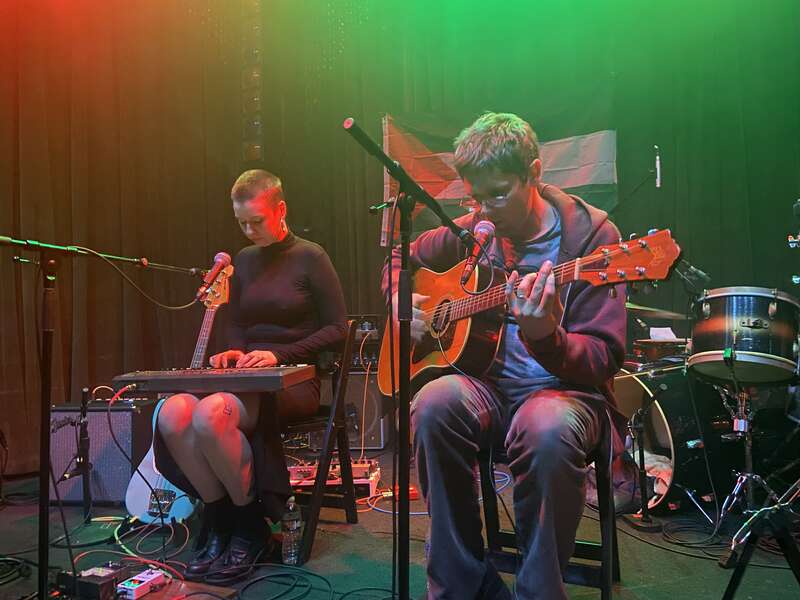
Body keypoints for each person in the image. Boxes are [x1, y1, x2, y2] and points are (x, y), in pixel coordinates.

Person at [381, 112, 627, 599]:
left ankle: (538, 591)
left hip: (566, 394)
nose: (484, 210)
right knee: (432, 405)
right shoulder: (475, 229)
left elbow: (603, 358)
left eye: (498, 194)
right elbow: (398, 255)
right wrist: (395, 298)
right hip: (488, 388)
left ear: (534, 173)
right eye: (475, 198)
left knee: (546, 427)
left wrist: (545, 337)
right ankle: (461, 586)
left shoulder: (596, 240)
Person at [155, 169, 348, 583]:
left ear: (281, 210)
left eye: (256, 221)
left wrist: (276, 354)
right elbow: (239, 322)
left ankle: (250, 527)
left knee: (211, 415)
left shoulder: (311, 257)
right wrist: (235, 350)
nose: (247, 230)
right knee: (173, 413)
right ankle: (220, 519)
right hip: (247, 377)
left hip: (295, 381)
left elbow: (337, 329)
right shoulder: (243, 260)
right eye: (240, 222)